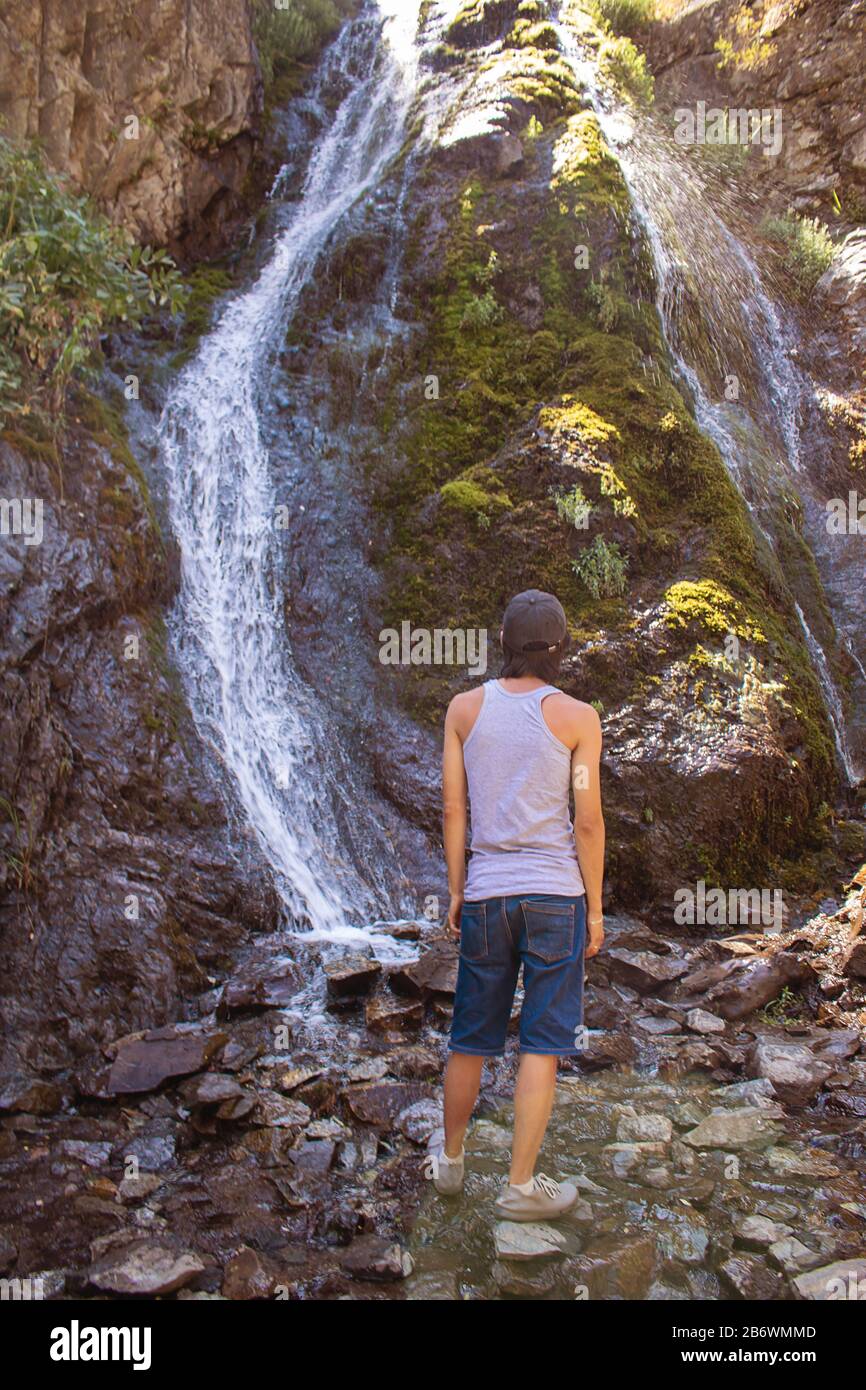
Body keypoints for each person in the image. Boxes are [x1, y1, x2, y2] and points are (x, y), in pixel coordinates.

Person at [428, 588, 605, 1219]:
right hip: (557, 897)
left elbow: (454, 808)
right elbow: (587, 820)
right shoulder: (580, 719)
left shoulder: (463, 710)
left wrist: (455, 888)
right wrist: (595, 907)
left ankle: (449, 1162)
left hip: (485, 895)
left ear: (502, 643)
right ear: (560, 650)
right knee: (541, 1045)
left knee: (470, 1040)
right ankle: (521, 1188)